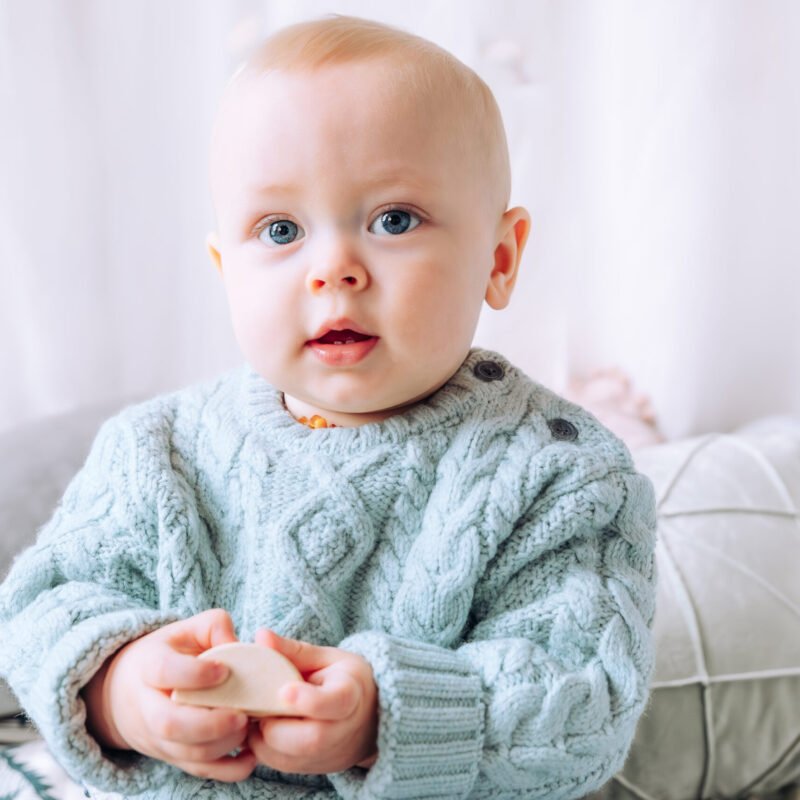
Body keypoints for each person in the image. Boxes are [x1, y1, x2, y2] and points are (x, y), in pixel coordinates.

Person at [0, 15, 658, 800]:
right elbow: (45, 610)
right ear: (226, 271)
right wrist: (121, 689)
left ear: (499, 257)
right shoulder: (157, 451)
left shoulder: (562, 473)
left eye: (394, 220)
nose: (334, 269)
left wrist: (386, 717)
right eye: (281, 230)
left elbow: (582, 701)